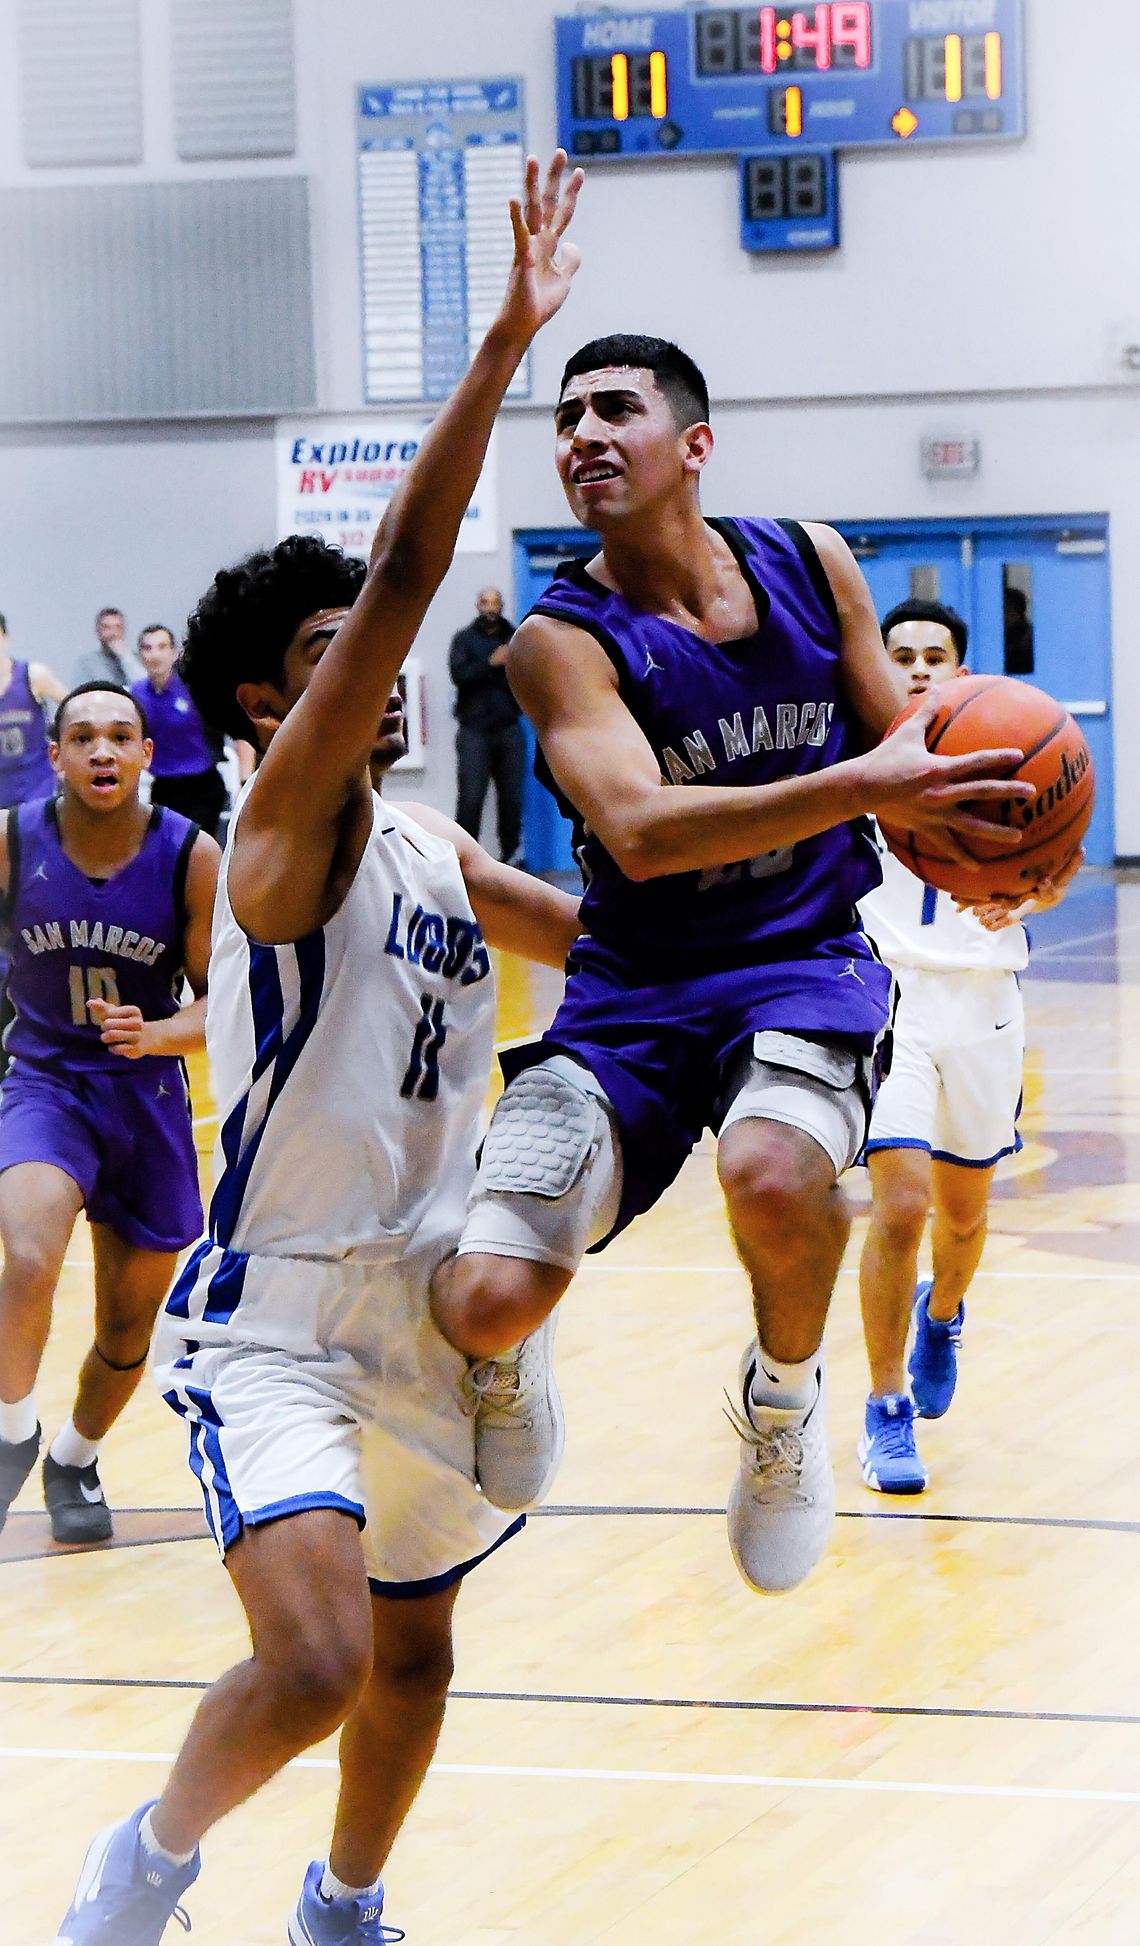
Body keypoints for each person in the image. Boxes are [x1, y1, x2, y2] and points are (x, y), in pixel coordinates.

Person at [57, 149, 583, 1946]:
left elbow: (607, 933)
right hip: (277, 1309)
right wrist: (505, 347)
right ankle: (150, 1864)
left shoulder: (428, 836)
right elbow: (416, 567)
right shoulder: (285, 829)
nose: (377, 651)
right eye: (331, 643)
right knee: (313, 1654)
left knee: (413, 1660)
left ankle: (342, 1904)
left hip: (432, 1311)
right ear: (274, 708)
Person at [428, 333, 1034, 1597]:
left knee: (770, 1165)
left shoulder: (812, 560)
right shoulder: (555, 639)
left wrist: (1008, 837)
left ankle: (784, 1405)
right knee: (480, 1295)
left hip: (802, 958)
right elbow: (640, 835)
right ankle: (510, 1351)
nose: (584, 433)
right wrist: (859, 784)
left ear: (694, 444)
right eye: (568, 415)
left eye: (616, 409)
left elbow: (902, 744)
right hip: (633, 985)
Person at [855, 599, 1076, 1492]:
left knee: (965, 1217)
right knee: (899, 1207)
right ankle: (885, 1410)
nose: (915, 668)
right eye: (899, 654)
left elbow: (1057, 874)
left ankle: (942, 1313)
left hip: (985, 1003)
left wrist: (1025, 899)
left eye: (932, 655)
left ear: (961, 668)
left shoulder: (1013, 755)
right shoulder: (852, 761)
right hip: (889, 997)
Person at [0, 682, 217, 1547]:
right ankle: (12, 1433)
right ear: (53, 755)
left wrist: (159, 1029)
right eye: (82, 737)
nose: (101, 751)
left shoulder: (190, 855)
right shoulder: (15, 842)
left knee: (129, 1325)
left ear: (146, 755)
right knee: (24, 1250)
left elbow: (224, 999)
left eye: (119, 737)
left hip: (146, 1096)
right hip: (45, 1081)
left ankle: (76, 1455)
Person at [449, 586, 525, 864]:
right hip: (474, 729)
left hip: (508, 727)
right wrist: (491, 663)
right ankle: (462, 861)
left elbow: (529, 675)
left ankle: (512, 858)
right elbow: (460, 675)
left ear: (501, 605)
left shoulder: (515, 637)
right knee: (470, 798)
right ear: (477, 605)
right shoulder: (464, 640)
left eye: (495, 603)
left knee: (512, 799)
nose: (490, 608)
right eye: (485, 602)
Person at [133, 622, 229, 836]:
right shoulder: (137, 694)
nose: (155, 654)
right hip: (165, 788)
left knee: (195, 850)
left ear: (174, 653)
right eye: (148, 648)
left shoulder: (195, 688)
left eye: (161, 647)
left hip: (201, 786)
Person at [0, 612, 67, 809]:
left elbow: (75, 709)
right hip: (3, 785)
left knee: (32, 835)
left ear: (6, 638)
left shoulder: (33, 675)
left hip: (36, 782)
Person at [75, 605, 145, 688]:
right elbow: (80, 696)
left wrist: (126, 657)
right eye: (106, 627)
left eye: (117, 627)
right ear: (98, 631)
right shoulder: (87, 663)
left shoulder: (139, 658)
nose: (113, 633)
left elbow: (145, 689)